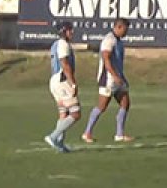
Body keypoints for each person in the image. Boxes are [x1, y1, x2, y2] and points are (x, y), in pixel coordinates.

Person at [82, 18, 133, 144]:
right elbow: (106, 59)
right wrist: (114, 76)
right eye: (125, 30)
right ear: (119, 27)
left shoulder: (119, 41)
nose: (126, 33)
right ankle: (87, 132)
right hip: (108, 79)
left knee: (125, 103)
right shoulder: (109, 39)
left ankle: (119, 134)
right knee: (102, 106)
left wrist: (122, 77)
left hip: (117, 78)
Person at [44, 22, 81, 153]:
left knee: (63, 113)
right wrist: (73, 82)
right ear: (64, 31)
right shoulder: (63, 44)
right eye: (70, 30)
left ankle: (59, 143)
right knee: (76, 113)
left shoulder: (55, 44)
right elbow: (64, 63)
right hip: (62, 80)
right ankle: (53, 137)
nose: (72, 33)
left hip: (54, 80)